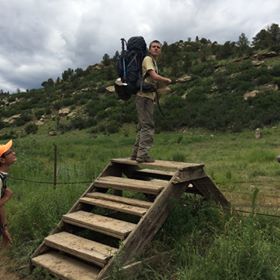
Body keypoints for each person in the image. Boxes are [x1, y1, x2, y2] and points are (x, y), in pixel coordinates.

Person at [131, 40, 172, 163]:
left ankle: (135, 154)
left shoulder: (153, 61)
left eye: (158, 47)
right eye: (154, 47)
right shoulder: (148, 59)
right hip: (144, 97)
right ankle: (142, 155)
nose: (156, 49)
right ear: (149, 49)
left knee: (143, 126)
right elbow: (154, 76)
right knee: (148, 125)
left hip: (147, 97)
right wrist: (167, 80)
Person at [0, 140, 16, 247]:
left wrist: (4, 227)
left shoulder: (2, 177)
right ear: (2, 160)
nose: (13, 153)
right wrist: (7, 197)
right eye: (9, 152)